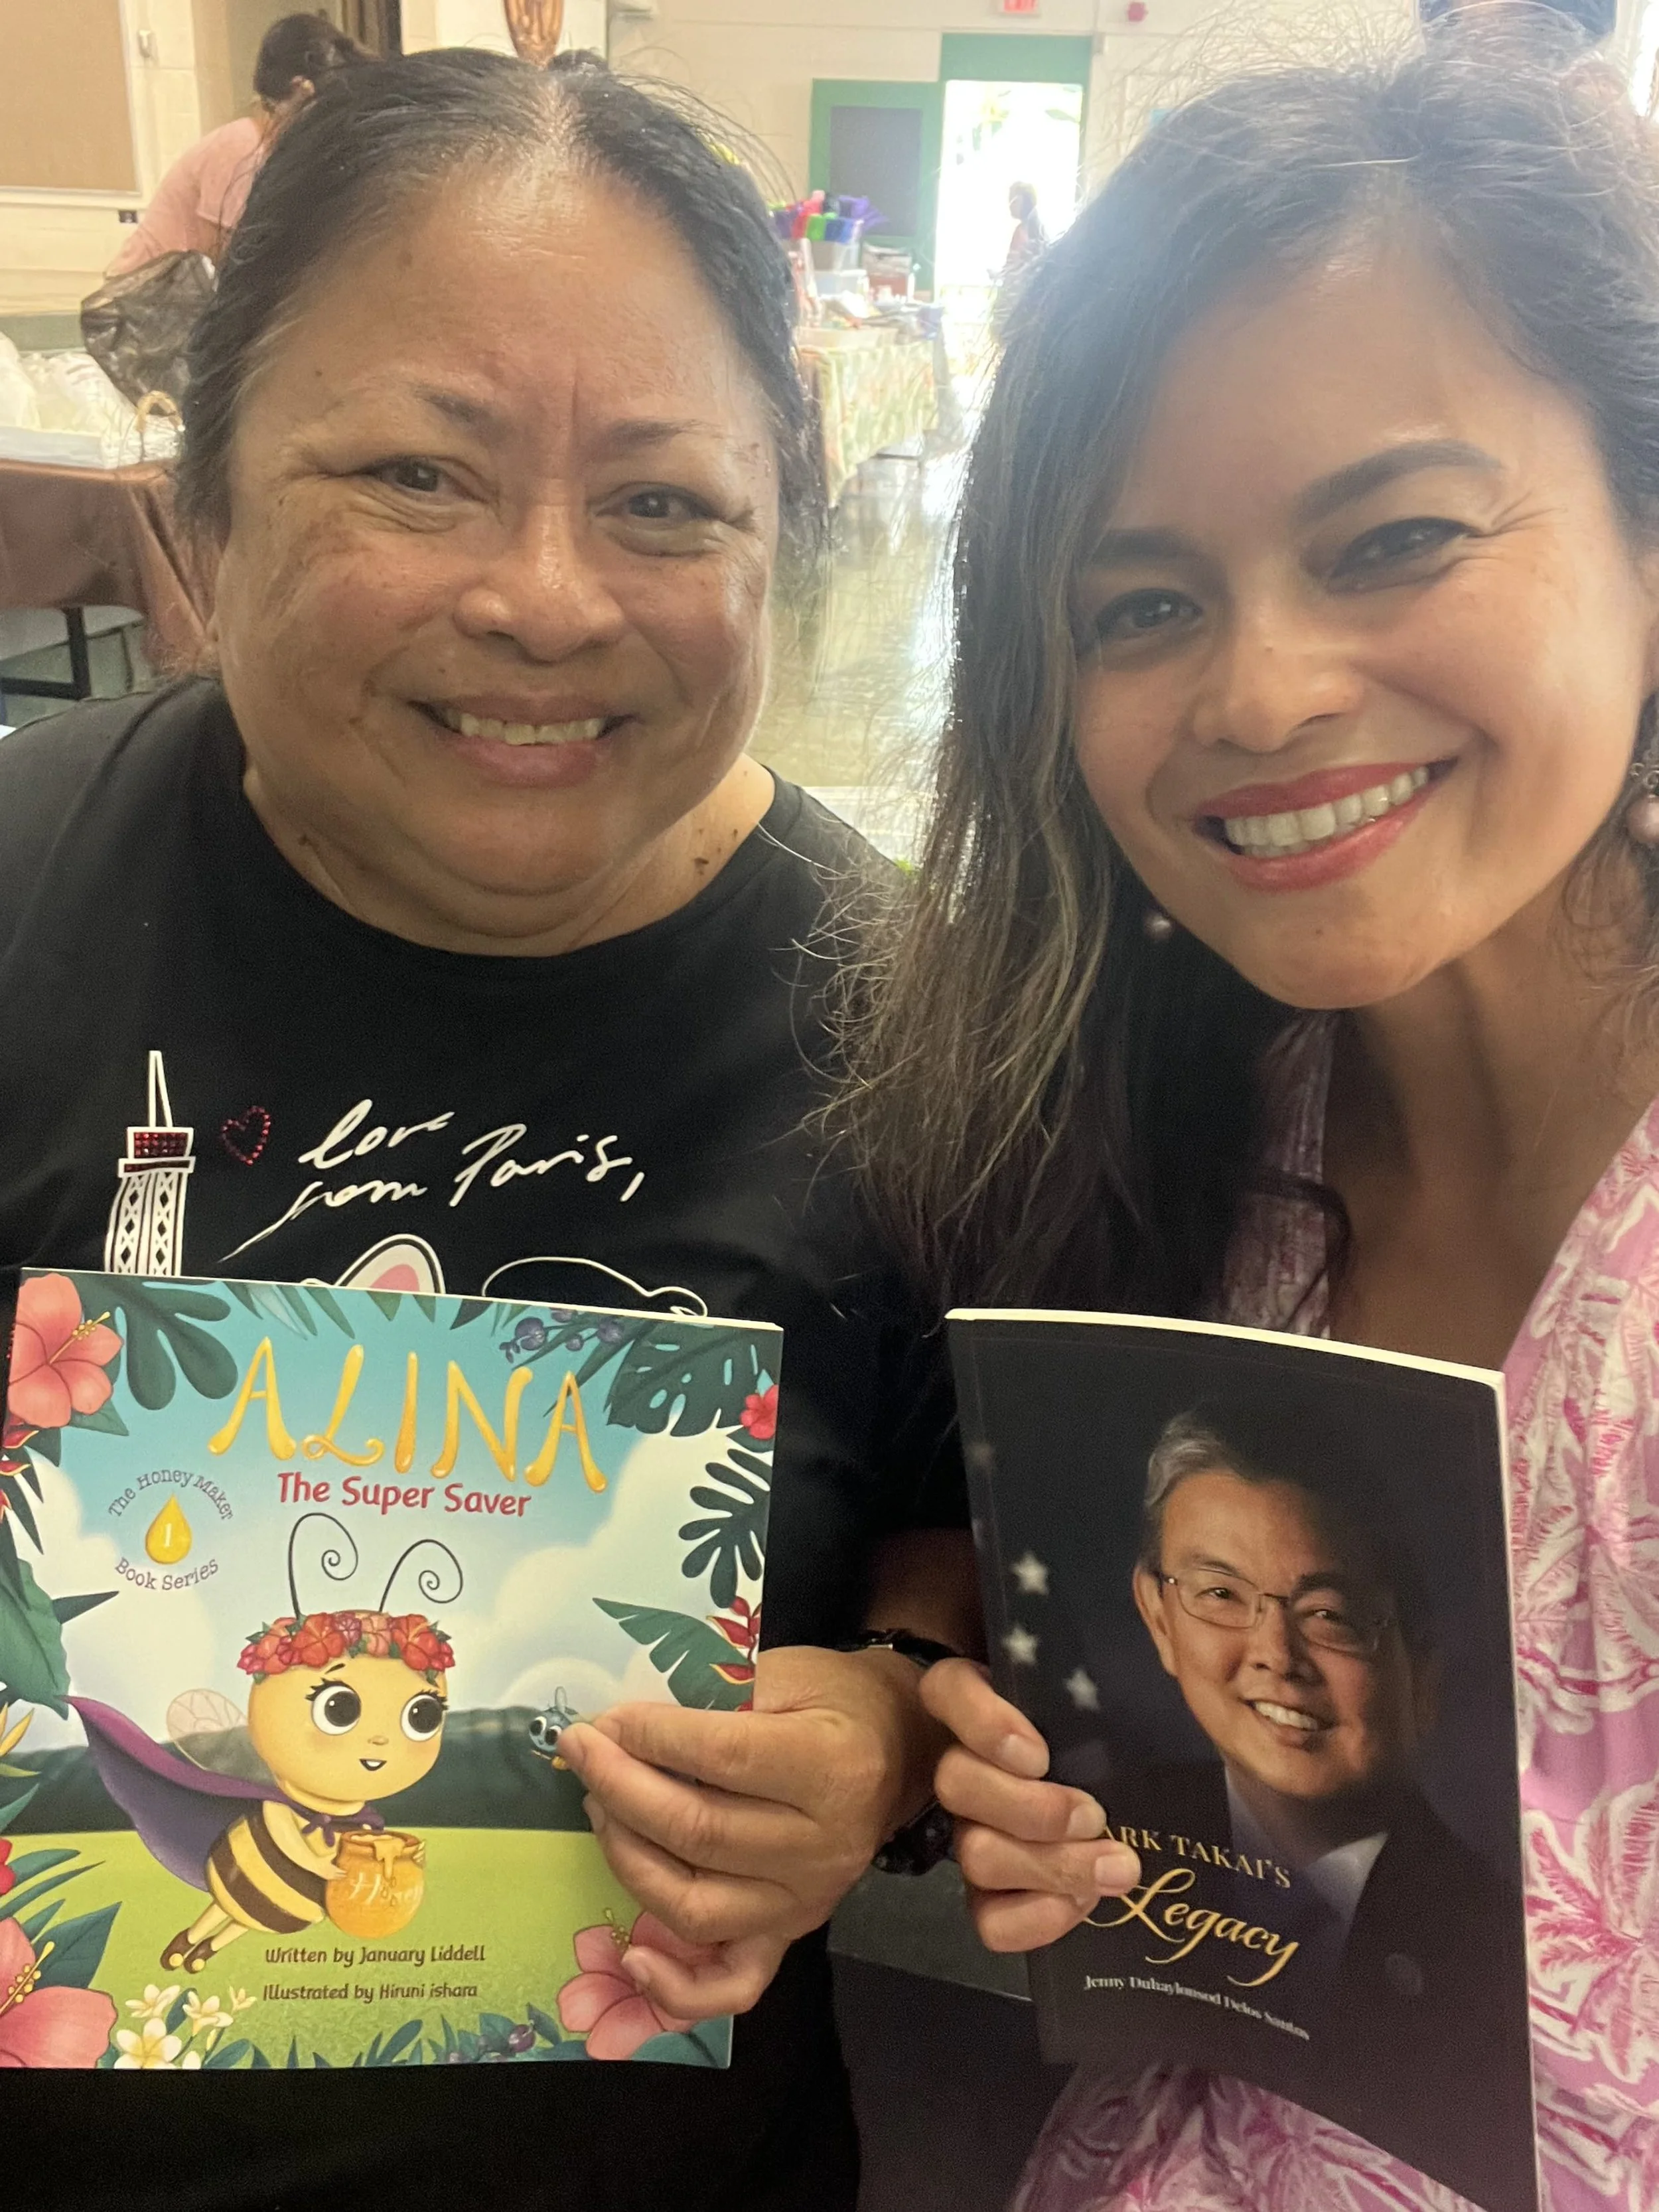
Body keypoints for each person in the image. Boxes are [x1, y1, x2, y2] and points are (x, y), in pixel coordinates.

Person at [2, 48, 975, 2212]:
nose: (548, 598)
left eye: (663, 501)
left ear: (780, 534)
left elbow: (983, 1545)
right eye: (418, 477)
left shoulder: (923, 1023)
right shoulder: (23, 896)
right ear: (206, 505)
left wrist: (883, 1724)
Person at [839, 24, 1659, 2211]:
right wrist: (1075, 1819)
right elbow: (1231, 1866)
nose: (1263, 689)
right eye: (1143, 604)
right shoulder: (1171, 1127)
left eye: (1393, 536)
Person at [1108, 1405, 1527, 2200]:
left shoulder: (1494, 1945)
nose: (1275, 1657)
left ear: (1422, 1675)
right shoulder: (1102, 1828)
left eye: (1329, 1617)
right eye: (1219, 1594)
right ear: (1157, 1616)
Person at [105, 13, 368, 278]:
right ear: (301, 90)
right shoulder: (243, 147)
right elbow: (237, 265)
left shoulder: (275, 150)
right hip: (147, 301)